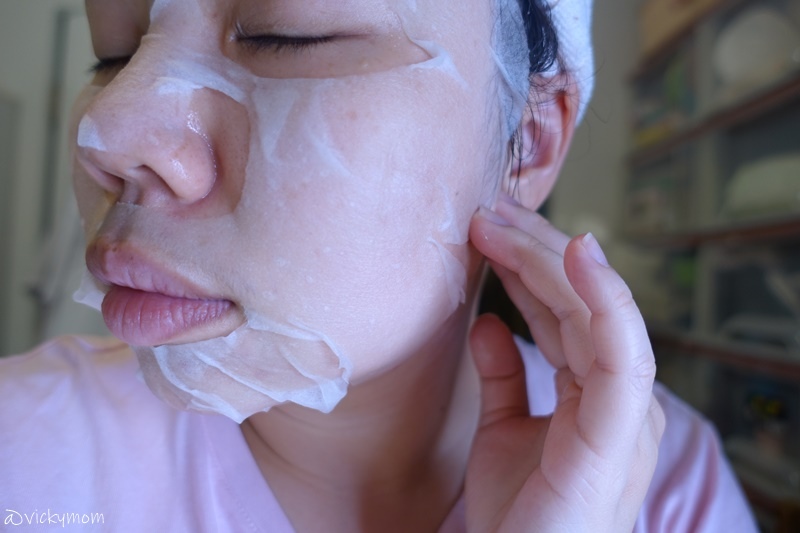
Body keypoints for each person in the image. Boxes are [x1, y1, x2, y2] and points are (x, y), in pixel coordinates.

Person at [0, 0, 758, 531]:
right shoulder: (20, 461)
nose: (108, 132)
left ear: (527, 141)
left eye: (284, 36)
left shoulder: (670, 492)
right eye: (114, 54)